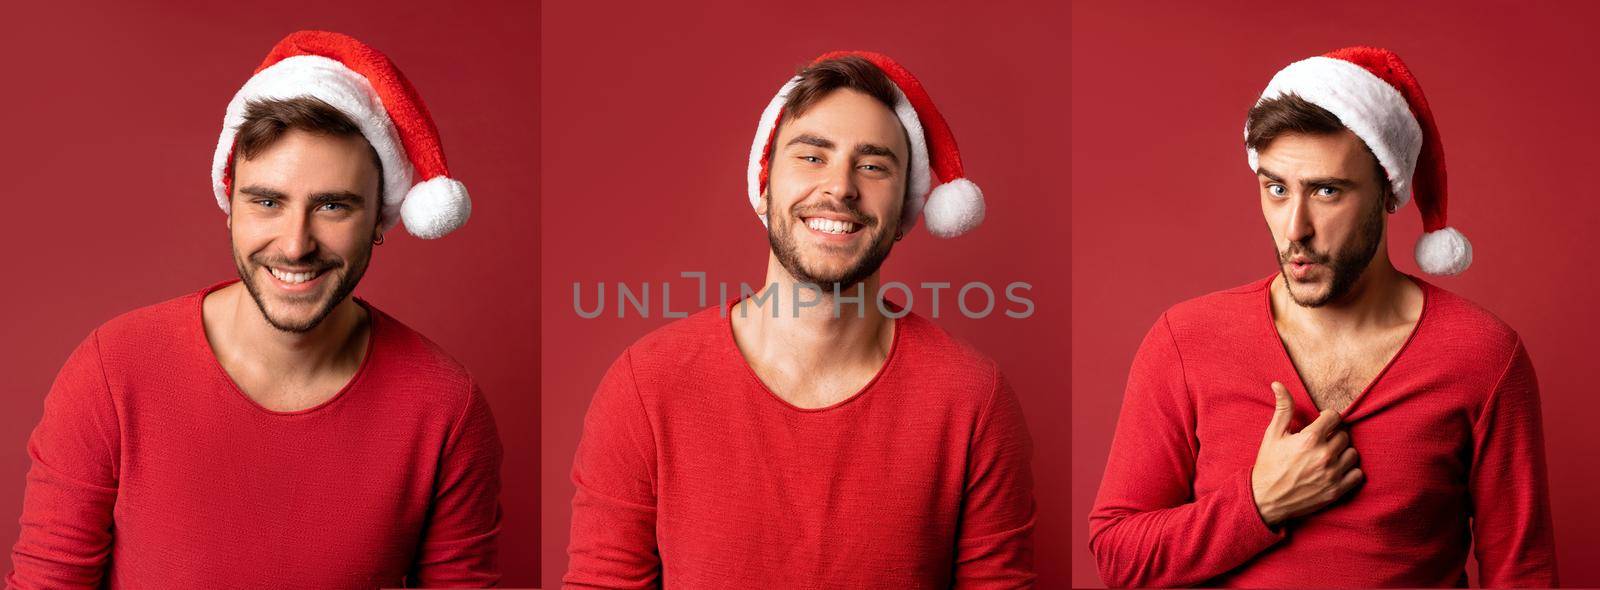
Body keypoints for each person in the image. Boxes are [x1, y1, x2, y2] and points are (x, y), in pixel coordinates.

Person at [7, 31, 500, 588]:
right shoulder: (112, 373)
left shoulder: (445, 408)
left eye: (333, 205)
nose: (295, 244)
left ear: (379, 221)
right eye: (267, 201)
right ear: (229, 205)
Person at [1088, 47, 1556, 588]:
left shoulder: (1483, 355)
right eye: (1276, 188)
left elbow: (1524, 574)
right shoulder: (1186, 340)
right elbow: (1118, 557)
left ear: (1387, 191)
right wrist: (1259, 503)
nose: (1294, 229)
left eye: (1327, 191)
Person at [563, 52, 1034, 588]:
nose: (840, 187)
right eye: (812, 157)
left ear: (908, 207)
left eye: (874, 165)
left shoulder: (973, 398)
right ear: (764, 186)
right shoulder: (645, 387)